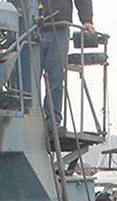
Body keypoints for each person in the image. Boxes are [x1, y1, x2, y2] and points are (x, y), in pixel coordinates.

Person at [39, 0, 94, 129]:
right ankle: (30, 116)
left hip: (58, 27)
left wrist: (87, 20)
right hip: (31, 27)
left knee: (55, 77)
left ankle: (52, 120)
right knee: (29, 77)